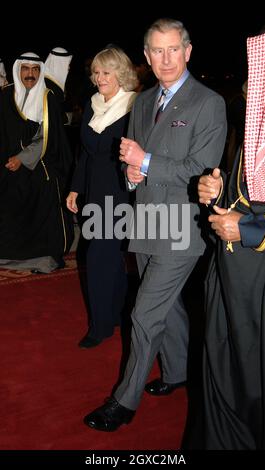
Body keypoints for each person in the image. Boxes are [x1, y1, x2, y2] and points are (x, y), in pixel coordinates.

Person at [83, 18, 227, 431]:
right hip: (145, 220)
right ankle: (178, 371)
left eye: (173, 49)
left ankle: (123, 403)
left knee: (145, 314)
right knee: (171, 309)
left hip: (182, 226)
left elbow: (200, 170)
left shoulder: (208, 102)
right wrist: (132, 174)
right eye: (157, 51)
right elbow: (134, 162)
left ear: (188, 51)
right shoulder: (143, 101)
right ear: (146, 56)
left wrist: (144, 162)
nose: (166, 59)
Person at [196, 30, 265, 449]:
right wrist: (215, 189)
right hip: (232, 282)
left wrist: (250, 231)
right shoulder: (255, 128)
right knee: (228, 379)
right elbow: (243, 192)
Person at [66, 46, 138, 348]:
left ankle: (100, 326)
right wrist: (75, 188)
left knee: (98, 257)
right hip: (95, 191)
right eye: (96, 72)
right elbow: (86, 153)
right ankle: (119, 314)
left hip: (120, 192)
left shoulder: (134, 106)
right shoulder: (93, 103)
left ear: (120, 73)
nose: (99, 78)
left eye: (106, 71)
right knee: (109, 258)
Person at [0, 52, 74, 273]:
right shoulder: (5, 96)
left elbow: (48, 136)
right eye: (25, 69)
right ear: (18, 70)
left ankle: (42, 258)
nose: (30, 74)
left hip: (39, 164)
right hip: (8, 167)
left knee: (44, 199)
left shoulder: (47, 97)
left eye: (35, 69)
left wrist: (23, 158)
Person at [44, 47, 73, 124]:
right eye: (67, 64)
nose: (69, 67)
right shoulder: (47, 85)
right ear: (59, 64)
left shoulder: (55, 82)